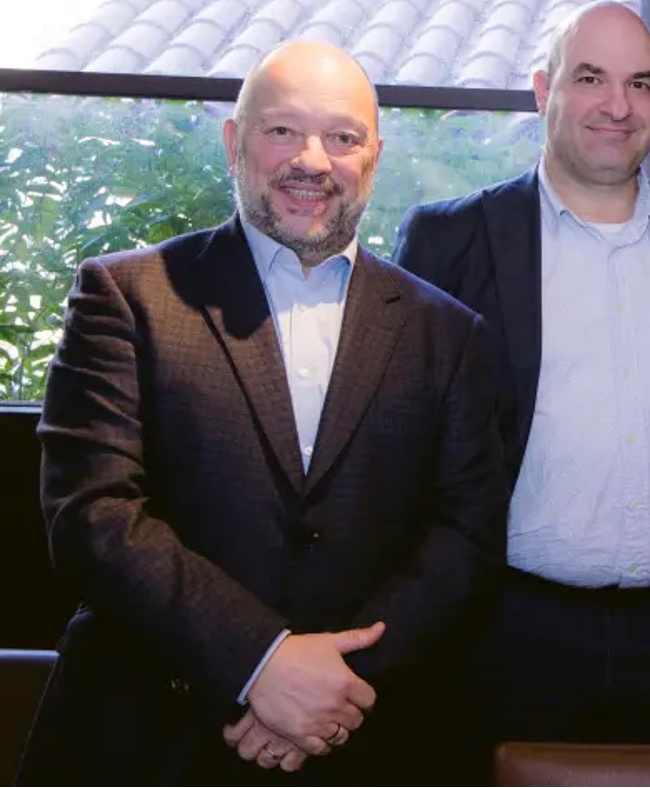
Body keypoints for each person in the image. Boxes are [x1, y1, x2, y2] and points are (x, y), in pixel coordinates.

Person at [16, 40, 506, 785]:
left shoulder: (448, 331)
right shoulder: (126, 297)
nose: (312, 160)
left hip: (366, 739)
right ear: (233, 143)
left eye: (342, 137)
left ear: (374, 156)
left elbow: (466, 537)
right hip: (146, 738)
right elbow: (93, 515)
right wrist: (260, 662)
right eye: (283, 130)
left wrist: (330, 687)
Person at [392, 0, 650, 761]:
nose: (618, 106)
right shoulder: (451, 242)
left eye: (641, 83)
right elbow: (399, 448)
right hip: (510, 637)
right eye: (591, 78)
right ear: (545, 90)